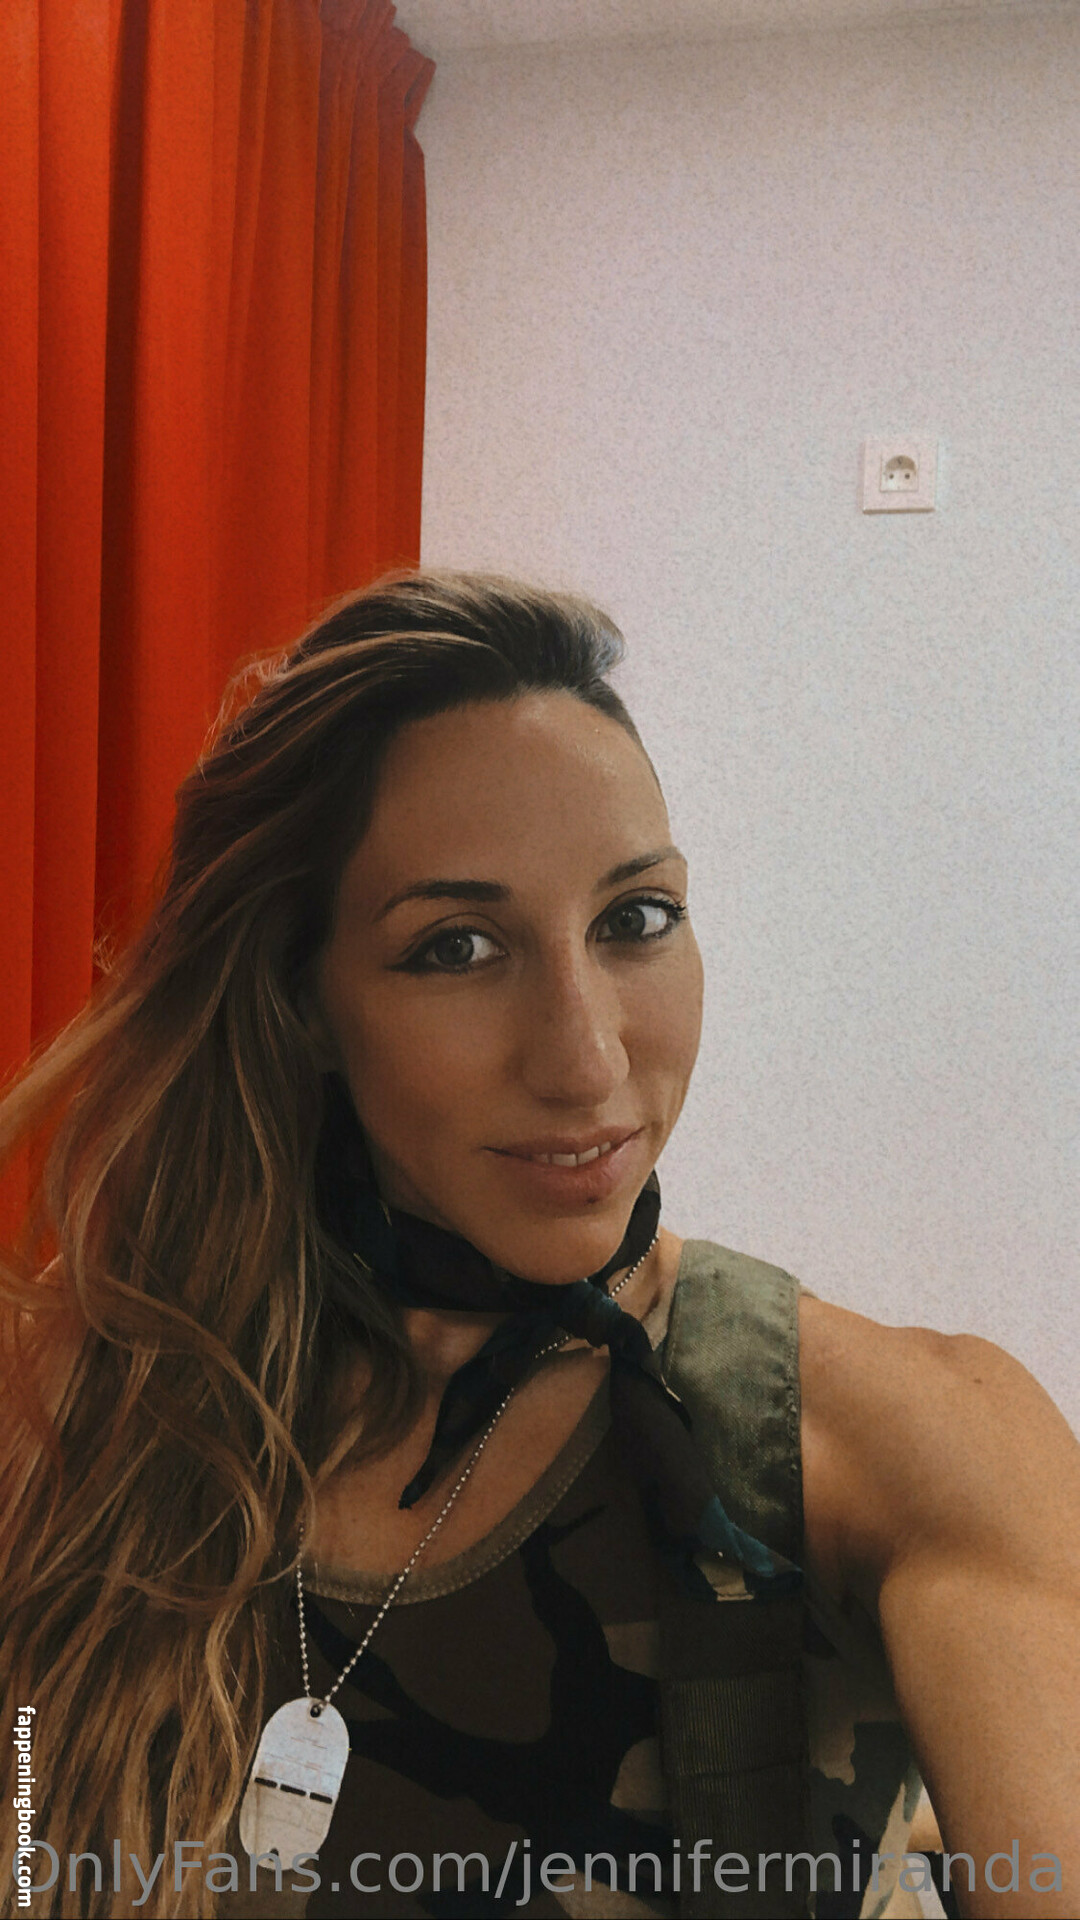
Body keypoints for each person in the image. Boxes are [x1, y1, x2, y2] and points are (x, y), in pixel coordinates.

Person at [1, 572, 1077, 1920]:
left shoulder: (906, 1444)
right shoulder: (67, 1422)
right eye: (457, 947)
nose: (585, 1059)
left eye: (635, 920)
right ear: (300, 1002)